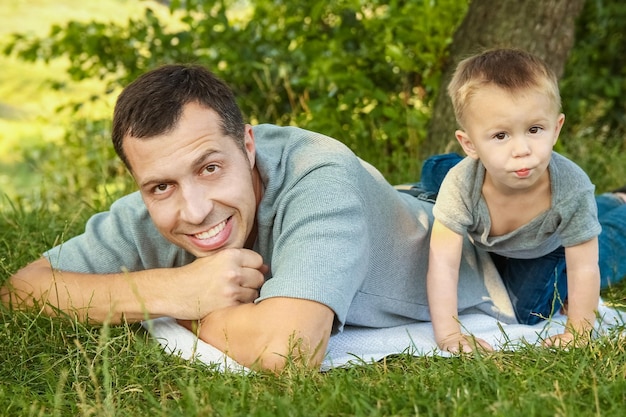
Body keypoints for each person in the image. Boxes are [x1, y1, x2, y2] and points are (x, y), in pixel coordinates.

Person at [1, 63, 519, 372]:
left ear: (247, 145)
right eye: (161, 185)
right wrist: (172, 289)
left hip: (493, 247)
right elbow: (20, 291)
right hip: (405, 199)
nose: (195, 208)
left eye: (209, 168)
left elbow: (287, 351)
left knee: (585, 214)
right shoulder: (157, 204)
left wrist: (184, 311)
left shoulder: (320, 171)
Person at [426, 48, 602, 353]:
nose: (522, 149)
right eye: (500, 136)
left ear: (556, 128)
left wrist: (579, 332)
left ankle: (616, 206)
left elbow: (585, 266)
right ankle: (434, 172)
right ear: (469, 143)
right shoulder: (462, 182)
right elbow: (442, 263)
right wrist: (449, 334)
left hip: (544, 248)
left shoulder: (572, 190)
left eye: (534, 130)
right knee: (437, 173)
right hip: (478, 199)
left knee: (526, 311)